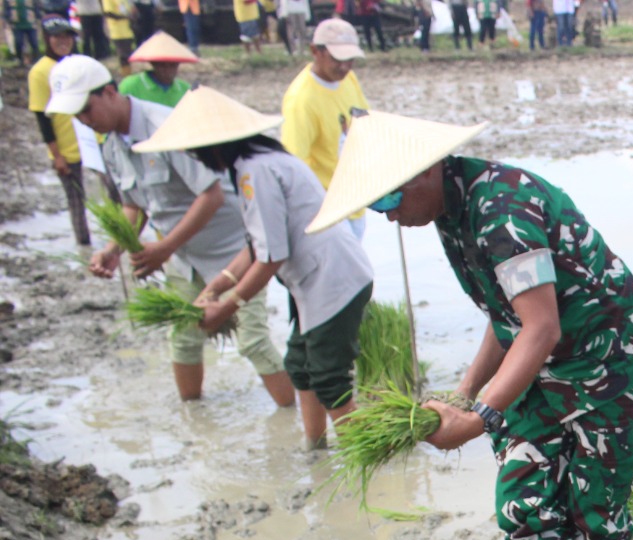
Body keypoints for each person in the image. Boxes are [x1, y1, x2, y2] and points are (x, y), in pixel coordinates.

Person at [308, 112, 633, 540]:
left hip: (608, 356)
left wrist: (479, 418)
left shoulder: (500, 210)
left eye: (388, 201)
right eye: (376, 208)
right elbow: (507, 318)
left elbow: (540, 327)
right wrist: (464, 394)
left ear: (424, 171)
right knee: (523, 505)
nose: (389, 218)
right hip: (538, 363)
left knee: (597, 509)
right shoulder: (449, 212)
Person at [133, 88, 374, 448]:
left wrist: (226, 307)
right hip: (315, 280)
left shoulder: (255, 172)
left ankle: (363, 461)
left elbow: (271, 257)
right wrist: (215, 288)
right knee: (301, 366)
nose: (192, 157)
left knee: (329, 379)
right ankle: (315, 451)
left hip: (333, 280)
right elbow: (256, 244)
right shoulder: (255, 163)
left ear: (213, 146)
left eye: (193, 150)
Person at [48, 57, 293, 407]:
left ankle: (293, 417)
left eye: (87, 109)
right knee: (183, 338)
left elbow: (211, 195)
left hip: (234, 250)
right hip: (184, 255)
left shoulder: (165, 128)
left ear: (110, 92)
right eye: (77, 115)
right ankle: (193, 417)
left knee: (252, 341)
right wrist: (113, 249)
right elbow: (134, 205)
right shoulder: (112, 145)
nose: (85, 120)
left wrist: (163, 248)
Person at [279, 18, 368, 235]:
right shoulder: (302, 100)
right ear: (315, 51)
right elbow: (292, 164)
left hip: (355, 199)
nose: (344, 66)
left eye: (350, 60)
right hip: (326, 207)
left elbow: (366, 123)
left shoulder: (349, 79)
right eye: (337, 59)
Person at [28, 18, 91, 248]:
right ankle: (84, 247)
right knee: (76, 201)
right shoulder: (40, 71)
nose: (63, 41)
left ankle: (121, 242)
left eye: (67, 36)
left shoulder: (81, 64)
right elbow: (41, 117)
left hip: (92, 140)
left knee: (115, 194)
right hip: (66, 146)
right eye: (57, 37)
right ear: (47, 39)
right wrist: (57, 155)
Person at [121, 31, 195, 106]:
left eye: (172, 65)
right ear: (153, 64)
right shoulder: (131, 86)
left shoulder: (185, 90)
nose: (168, 70)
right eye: (162, 65)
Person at [103, 0, 134, 72]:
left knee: (129, 55)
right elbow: (109, 13)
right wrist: (126, 17)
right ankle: (126, 74)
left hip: (127, 30)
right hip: (118, 32)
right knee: (123, 56)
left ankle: (129, 72)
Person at [7, 0, 40, 64]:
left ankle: (36, 59)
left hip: (30, 24)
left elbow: (36, 7)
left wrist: (37, 18)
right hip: (17, 25)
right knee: (18, 42)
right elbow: (7, 10)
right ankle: (20, 60)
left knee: (34, 43)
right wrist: (9, 20)